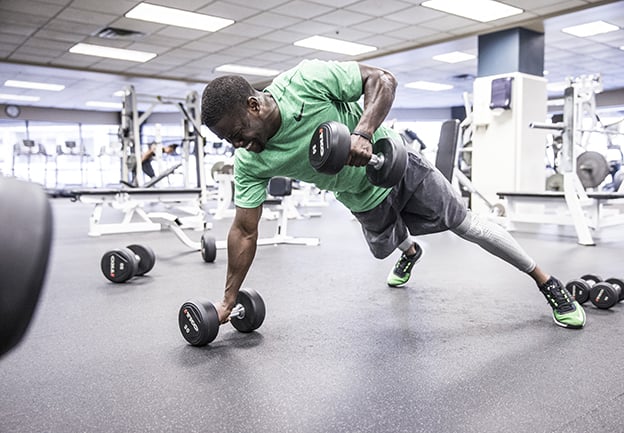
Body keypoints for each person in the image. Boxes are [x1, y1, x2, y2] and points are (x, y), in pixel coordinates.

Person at [200, 59, 586, 330]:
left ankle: (545, 281)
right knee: (385, 248)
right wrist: (227, 300)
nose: (238, 145)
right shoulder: (250, 163)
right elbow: (244, 231)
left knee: (465, 224)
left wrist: (363, 132)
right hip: (360, 198)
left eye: (237, 133)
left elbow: (382, 79)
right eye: (228, 140)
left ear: (254, 105)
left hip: (396, 166)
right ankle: (411, 252)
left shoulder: (306, 81)